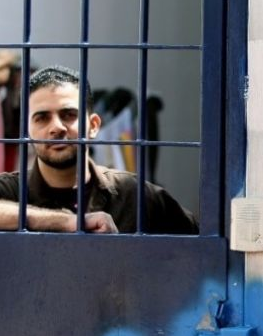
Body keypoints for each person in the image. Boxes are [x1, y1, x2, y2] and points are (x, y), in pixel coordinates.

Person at [0, 65, 198, 234]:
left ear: (94, 126)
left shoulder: (135, 196)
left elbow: (205, 245)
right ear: (26, 130)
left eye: (69, 114)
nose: (57, 127)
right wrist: (68, 222)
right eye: (42, 118)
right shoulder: (11, 191)